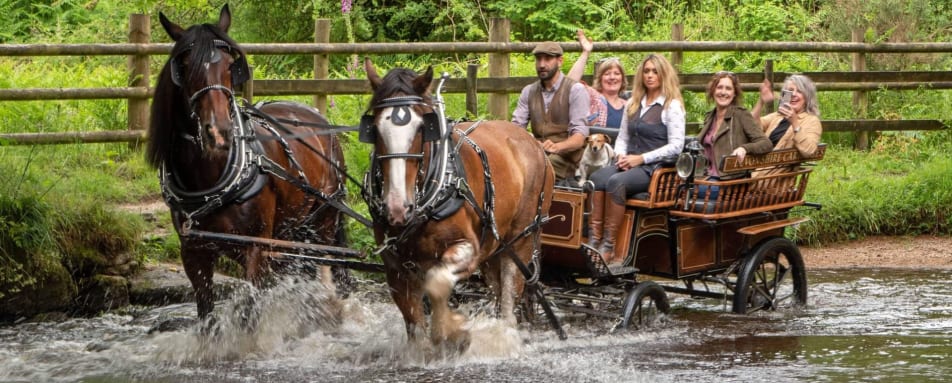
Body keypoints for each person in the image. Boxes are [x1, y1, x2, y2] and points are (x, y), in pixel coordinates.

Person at [587, 54, 685, 267]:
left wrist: (641, 159)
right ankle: (594, 239)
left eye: (655, 71)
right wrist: (621, 156)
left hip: (654, 168)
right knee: (596, 178)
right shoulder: (633, 102)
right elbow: (623, 137)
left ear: (663, 74)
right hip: (628, 162)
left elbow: (676, 146)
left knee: (615, 182)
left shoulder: (671, 106)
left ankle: (609, 246)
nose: (650, 76)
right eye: (647, 71)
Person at [512, 41, 592, 182]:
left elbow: (579, 138)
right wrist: (529, 140)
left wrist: (557, 147)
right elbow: (516, 128)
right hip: (536, 154)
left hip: (568, 160)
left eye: (547, 59)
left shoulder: (575, 90)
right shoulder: (528, 91)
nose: (542, 64)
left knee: (532, 169)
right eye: (538, 59)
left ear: (560, 61)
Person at [694, 71, 773, 200]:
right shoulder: (710, 117)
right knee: (676, 186)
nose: (723, 92)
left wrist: (744, 148)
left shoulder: (741, 115)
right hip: (706, 176)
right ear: (713, 90)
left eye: (728, 88)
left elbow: (766, 143)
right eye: (719, 87)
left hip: (730, 181)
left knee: (690, 190)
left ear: (734, 93)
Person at [750, 75, 823, 176]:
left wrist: (794, 122)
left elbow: (809, 150)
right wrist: (761, 102)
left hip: (772, 181)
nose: (793, 94)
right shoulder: (778, 116)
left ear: (807, 96)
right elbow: (751, 127)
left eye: (799, 91)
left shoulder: (812, 121)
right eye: (790, 91)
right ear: (785, 95)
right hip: (754, 171)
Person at [567, 30, 629, 129]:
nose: (612, 77)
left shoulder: (629, 106)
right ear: (600, 79)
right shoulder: (592, 96)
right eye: (607, 74)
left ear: (622, 79)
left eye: (617, 74)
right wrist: (585, 53)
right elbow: (569, 84)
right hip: (597, 144)